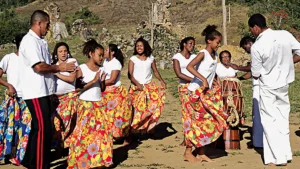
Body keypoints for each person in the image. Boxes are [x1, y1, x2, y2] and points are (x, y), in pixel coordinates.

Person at [18, 10, 76, 169]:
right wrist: (60, 67)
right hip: (35, 91)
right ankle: (39, 165)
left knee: (40, 127)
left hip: (44, 91)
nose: (48, 28)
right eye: (47, 24)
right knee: (43, 129)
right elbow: (39, 66)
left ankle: (29, 160)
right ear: (39, 23)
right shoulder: (29, 41)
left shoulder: (40, 41)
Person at [248, 13, 300, 166]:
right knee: (283, 119)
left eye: (251, 29)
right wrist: (287, 62)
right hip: (284, 85)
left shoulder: (257, 46)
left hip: (268, 87)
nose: (251, 32)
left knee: (269, 122)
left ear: (256, 28)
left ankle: (277, 158)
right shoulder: (285, 34)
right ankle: (286, 153)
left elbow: (255, 73)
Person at [66, 39, 113, 168]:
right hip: (85, 104)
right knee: (84, 134)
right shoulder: (81, 68)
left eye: (103, 55)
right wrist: (93, 81)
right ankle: (80, 160)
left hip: (98, 104)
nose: (102, 58)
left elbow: (102, 89)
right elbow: (78, 89)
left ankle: (100, 160)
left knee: (102, 133)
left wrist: (102, 82)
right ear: (91, 54)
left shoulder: (102, 69)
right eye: (99, 55)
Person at [185, 25, 228, 162]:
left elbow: (211, 72)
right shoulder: (202, 53)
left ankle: (202, 152)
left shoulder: (215, 56)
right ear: (209, 41)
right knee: (193, 123)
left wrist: (215, 81)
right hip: (194, 92)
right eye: (217, 41)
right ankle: (187, 152)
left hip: (206, 93)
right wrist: (203, 79)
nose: (219, 44)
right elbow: (189, 67)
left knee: (206, 122)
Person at [0, 34, 31, 166]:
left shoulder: (30, 61)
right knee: (7, 127)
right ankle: (5, 154)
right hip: (12, 98)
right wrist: (8, 85)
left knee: (24, 129)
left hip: (26, 98)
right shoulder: (8, 58)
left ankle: (19, 156)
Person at [228, 36, 264, 148]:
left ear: (249, 43)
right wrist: (240, 79)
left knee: (258, 114)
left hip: (261, 87)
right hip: (258, 85)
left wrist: (238, 67)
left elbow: (252, 68)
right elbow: (251, 73)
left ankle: (258, 142)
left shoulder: (257, 50)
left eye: (245, 48)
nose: (246, 51)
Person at [128, 37, 166, 135]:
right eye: (137, 46)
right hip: (137, 87)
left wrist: (161, 80)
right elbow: (130, 75)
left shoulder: (151, 59)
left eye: (141, 46)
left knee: (154, 105)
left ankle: (150, 126)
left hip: (149, 86)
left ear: (145, 47)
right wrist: (137, 84)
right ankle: (135, 130)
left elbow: (155, 71)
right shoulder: (133, 59)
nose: (139, 48)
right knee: (138, 110)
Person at [51, 42, 79, 150]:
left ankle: (66, 145)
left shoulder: (72, 62)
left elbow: (72, 79)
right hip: (56, 99)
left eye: (65, 51)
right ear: (56, 53)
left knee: (67, 122)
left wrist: (56, 72)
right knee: (56, 122)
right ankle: (59, 145)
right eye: (60, 51)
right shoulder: (53, 64)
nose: (63, 53)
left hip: (69, 97)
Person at [102, 44, 131, 145]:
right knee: (107, 116)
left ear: (112, 52)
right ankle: (111, 135)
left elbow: (112, 80)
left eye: (106, 50)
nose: (104, 51)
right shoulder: (105, 62)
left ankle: (126, 136)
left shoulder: (116, 63)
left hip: (115, 92)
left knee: (119, 116)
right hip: (105, 92)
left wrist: (98, 82)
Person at [172, 37, 197, 148]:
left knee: (195, 112)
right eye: (190, 43)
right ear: (184, 44)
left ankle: (194, 137)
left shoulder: (194, 57)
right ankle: (186, 138)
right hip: (184, 87)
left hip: (196, 87)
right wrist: (194, 79)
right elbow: (179, 74)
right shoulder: (177, 57)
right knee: (186, 113)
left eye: (193, 44)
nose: (192, 45)